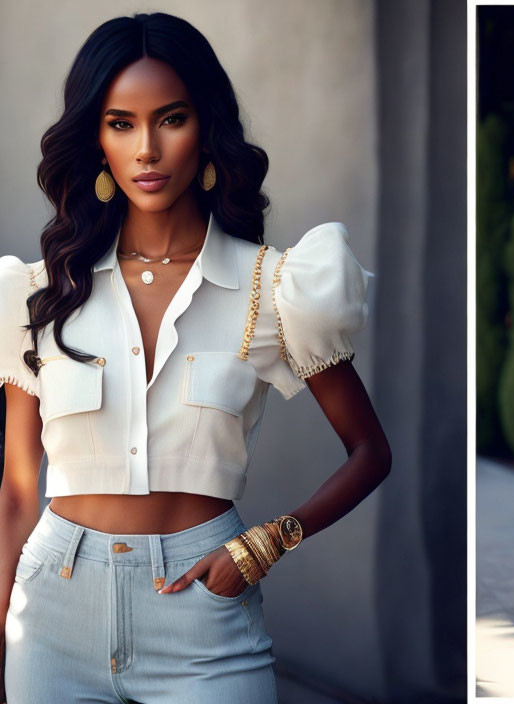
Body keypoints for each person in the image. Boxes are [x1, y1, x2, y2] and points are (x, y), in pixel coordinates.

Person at [0, 12, 390, 703]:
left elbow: (369, 452)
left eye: (170, 119)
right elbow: (18, 492)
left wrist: (268, 542)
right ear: (96, 139)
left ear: (205, 127)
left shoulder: (275, 288)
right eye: (121, 123)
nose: (146, 149)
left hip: (202, 612)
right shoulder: (39, 292)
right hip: (52, 609)